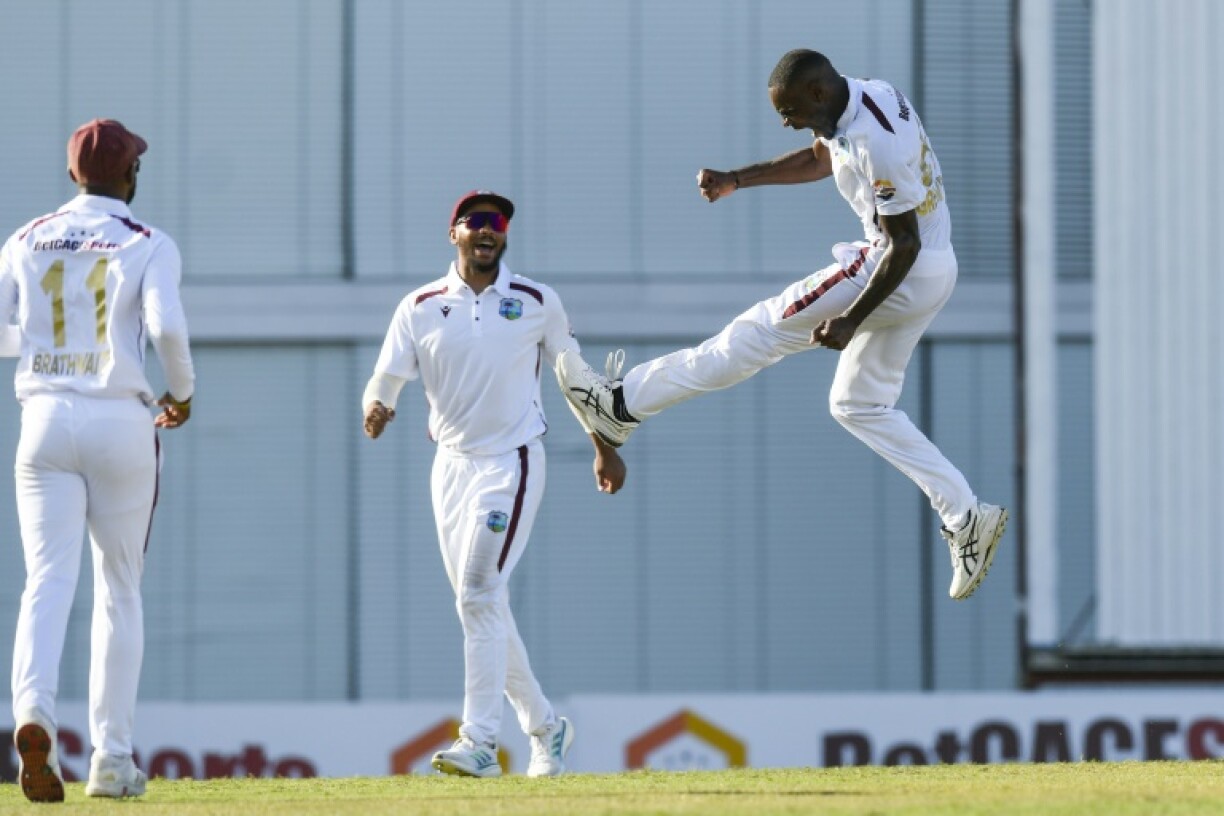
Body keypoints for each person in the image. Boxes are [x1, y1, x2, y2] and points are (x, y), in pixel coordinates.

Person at [557, 49, 1007, 602]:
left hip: (896, 267)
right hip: (933, 270)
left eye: (789, 110)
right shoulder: (864, 97)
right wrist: (737, 180)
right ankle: (965, 515)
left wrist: (849, 318)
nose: (784, 120)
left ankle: (620, 404)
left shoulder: (875, 140)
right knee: (857, 406)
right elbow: (821, 159)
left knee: (759, 331)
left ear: (818, 94)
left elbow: (902, 244)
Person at [362, 190, 625, 778]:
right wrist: (377, 405)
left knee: (479, 593)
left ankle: (479, 742)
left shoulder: (536, 301)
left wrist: (603, 448)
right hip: (450, 467)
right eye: (476, 221)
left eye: (498, 222)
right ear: (453, 233)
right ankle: (546, 728)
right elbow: (385, 376)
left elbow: (574, 377)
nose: (489, 230)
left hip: (513, 460)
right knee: (480, 604)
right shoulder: (422, 305)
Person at [0, 119, 194, 801]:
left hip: (43, 419)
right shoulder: (147, 241)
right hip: (119, 418)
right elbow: (166, 327)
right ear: (130, 175)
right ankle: (111, 759)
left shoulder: (24, 238)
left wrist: (44, 352)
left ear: (72, 174)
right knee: (119, 589)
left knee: (45, 582)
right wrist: (184, 390)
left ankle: (32, 712)